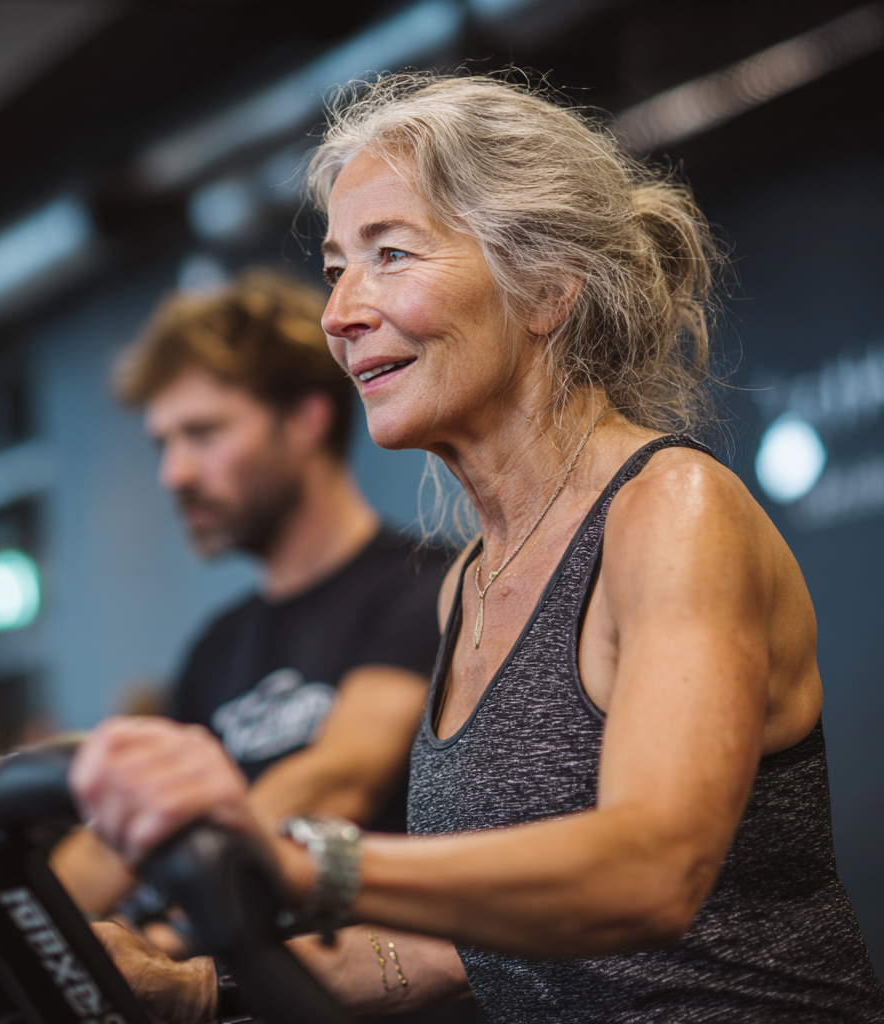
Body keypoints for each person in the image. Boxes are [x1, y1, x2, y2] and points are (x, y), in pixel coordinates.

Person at [70, 74, 884, 1023]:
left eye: (391, 255)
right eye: (337, 269)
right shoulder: (472, 580)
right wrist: (202, 988)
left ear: (545, 288)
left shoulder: (671, 510)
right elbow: (473, 940)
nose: (338, 314)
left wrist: (306, 862)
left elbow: (653, 871)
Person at [51, 270, 454, 940]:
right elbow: (130, 829)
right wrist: (19, 933)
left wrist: (174, 932)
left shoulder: (427, 586)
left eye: (203, 434)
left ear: (306, 419)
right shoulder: (217, 646)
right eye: (164, 443)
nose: (173, 474)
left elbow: (341, 778)